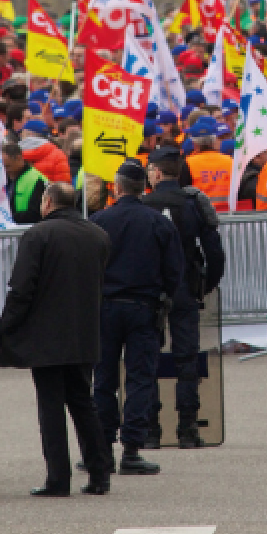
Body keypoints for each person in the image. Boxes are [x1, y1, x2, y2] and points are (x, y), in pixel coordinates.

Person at [0, 182, 113, 496]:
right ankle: (100, 472)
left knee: (51, 408)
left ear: (47, 202)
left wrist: (6, 329)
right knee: (83, 403)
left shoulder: (38, 235)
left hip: (46, 337)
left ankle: (58, 478)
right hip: (84, 333)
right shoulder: (97, 236)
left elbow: (21, 289)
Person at [88, 160, 185, 475]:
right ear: (145, 187)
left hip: (105, 308)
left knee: (103, 380)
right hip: (144, 307)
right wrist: (163, 296)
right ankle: (131, 449)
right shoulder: (158, 222)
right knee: (140, 378)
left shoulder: (99, 221)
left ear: (116, 187)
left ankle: (101, 448)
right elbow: (175, 270)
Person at [142, 148, 226, 449]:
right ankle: (188, 429)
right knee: (186, 358)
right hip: (185, 288)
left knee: (148, 357)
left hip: (151, 289)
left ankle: (150, 430)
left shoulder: (142, 203)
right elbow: (214, 252)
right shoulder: (195, 202)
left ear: (158, 173)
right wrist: (207, 285)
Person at [182, 118, 234, 210]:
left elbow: (183, 192)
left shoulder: (188, 163)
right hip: (228, 214)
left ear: (194, 144)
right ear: (213, 141)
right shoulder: (230, 161)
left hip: (201, 215)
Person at [3, 141, 48, 225]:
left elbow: (37, 213)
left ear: (19, 158)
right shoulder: (3, 179)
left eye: (7, 166)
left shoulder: (37, 180)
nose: (5, 170)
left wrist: (7, 217)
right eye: (2, 167)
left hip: (28, 230)